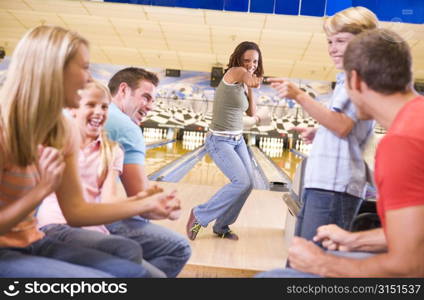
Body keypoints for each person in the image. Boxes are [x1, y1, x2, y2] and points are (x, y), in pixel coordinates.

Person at [0, 25, 180, 278]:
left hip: (32, 240)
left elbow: (77, 211)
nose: (88, 78)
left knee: (135, 273)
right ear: (54, 68)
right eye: (84, 67)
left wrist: (147, 202)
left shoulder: (61, 129)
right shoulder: (4, 126)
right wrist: (40, 192)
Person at [258, 28, 424, 277]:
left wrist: (323, 264)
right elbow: (415, 235)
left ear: (354, 81)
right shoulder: (415, 119)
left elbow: (410, 265)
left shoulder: (401, 142)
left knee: (274, 278)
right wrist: (354, 240)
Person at [36, 80, 171, 277]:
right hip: (57, 226)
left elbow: (109, 200)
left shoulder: (112, 151)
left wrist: (145, 201)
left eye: (104, 107)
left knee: (157, 277)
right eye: (90, 105)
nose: (99, 111)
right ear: (73, 109)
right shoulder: (57, 143)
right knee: (127, 250)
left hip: (95, 232)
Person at [268, 7, 378, 241]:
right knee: (302, 258)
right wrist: (322, 132)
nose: (332, 48)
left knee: (313, 264)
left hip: (336, 186)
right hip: (327, 184)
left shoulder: (359, 77)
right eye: (330, 41)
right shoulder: (351, 77)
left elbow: (342, 125)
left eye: (340, 40)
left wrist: (299, 95)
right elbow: (348, 126)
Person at [104, 67, 191, 278]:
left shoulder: (89, 112)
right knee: (178, 248)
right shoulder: (128, 128)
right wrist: (166, 208)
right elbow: (141, 203)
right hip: (83, 219)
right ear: (123, 90)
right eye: (146, 97)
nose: (150, 106)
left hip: (48, 212)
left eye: (153, 100)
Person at [186, 41, 263, 241]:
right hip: (219, 140)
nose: (251, 64)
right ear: (239, 59)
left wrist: (251, 86)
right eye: (247, 60)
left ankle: (222, 226)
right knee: (241, 181)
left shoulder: (244, 82)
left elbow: (252, 111)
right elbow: (245, 75)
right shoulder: (235, 73)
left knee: (249, 184)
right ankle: (199, 215)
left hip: (238, 140)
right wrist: (251, 79)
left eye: (255, 61)